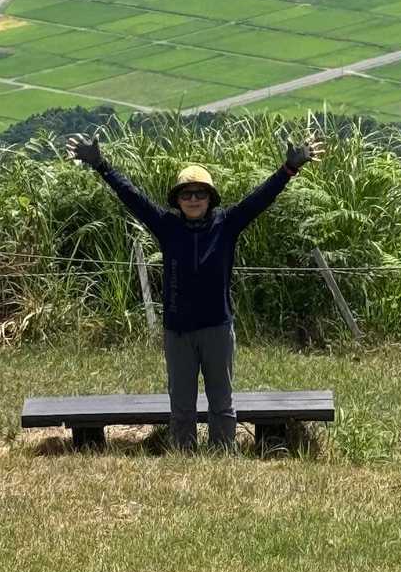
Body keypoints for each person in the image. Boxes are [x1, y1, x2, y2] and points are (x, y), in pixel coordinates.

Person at [69, 130, 320, 452]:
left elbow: (261, 198)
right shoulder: (167, 226)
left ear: (210, 198)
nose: (193, 199)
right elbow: (132, 196)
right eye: (186, 194)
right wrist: (101, 165)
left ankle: (222, 453)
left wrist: (289, 169)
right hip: (178, 331)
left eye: (200, 193)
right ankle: (183, 455)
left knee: (222, 403)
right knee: (181, 406)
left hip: (217, 328)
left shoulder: (227, 224)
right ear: (177, 200)